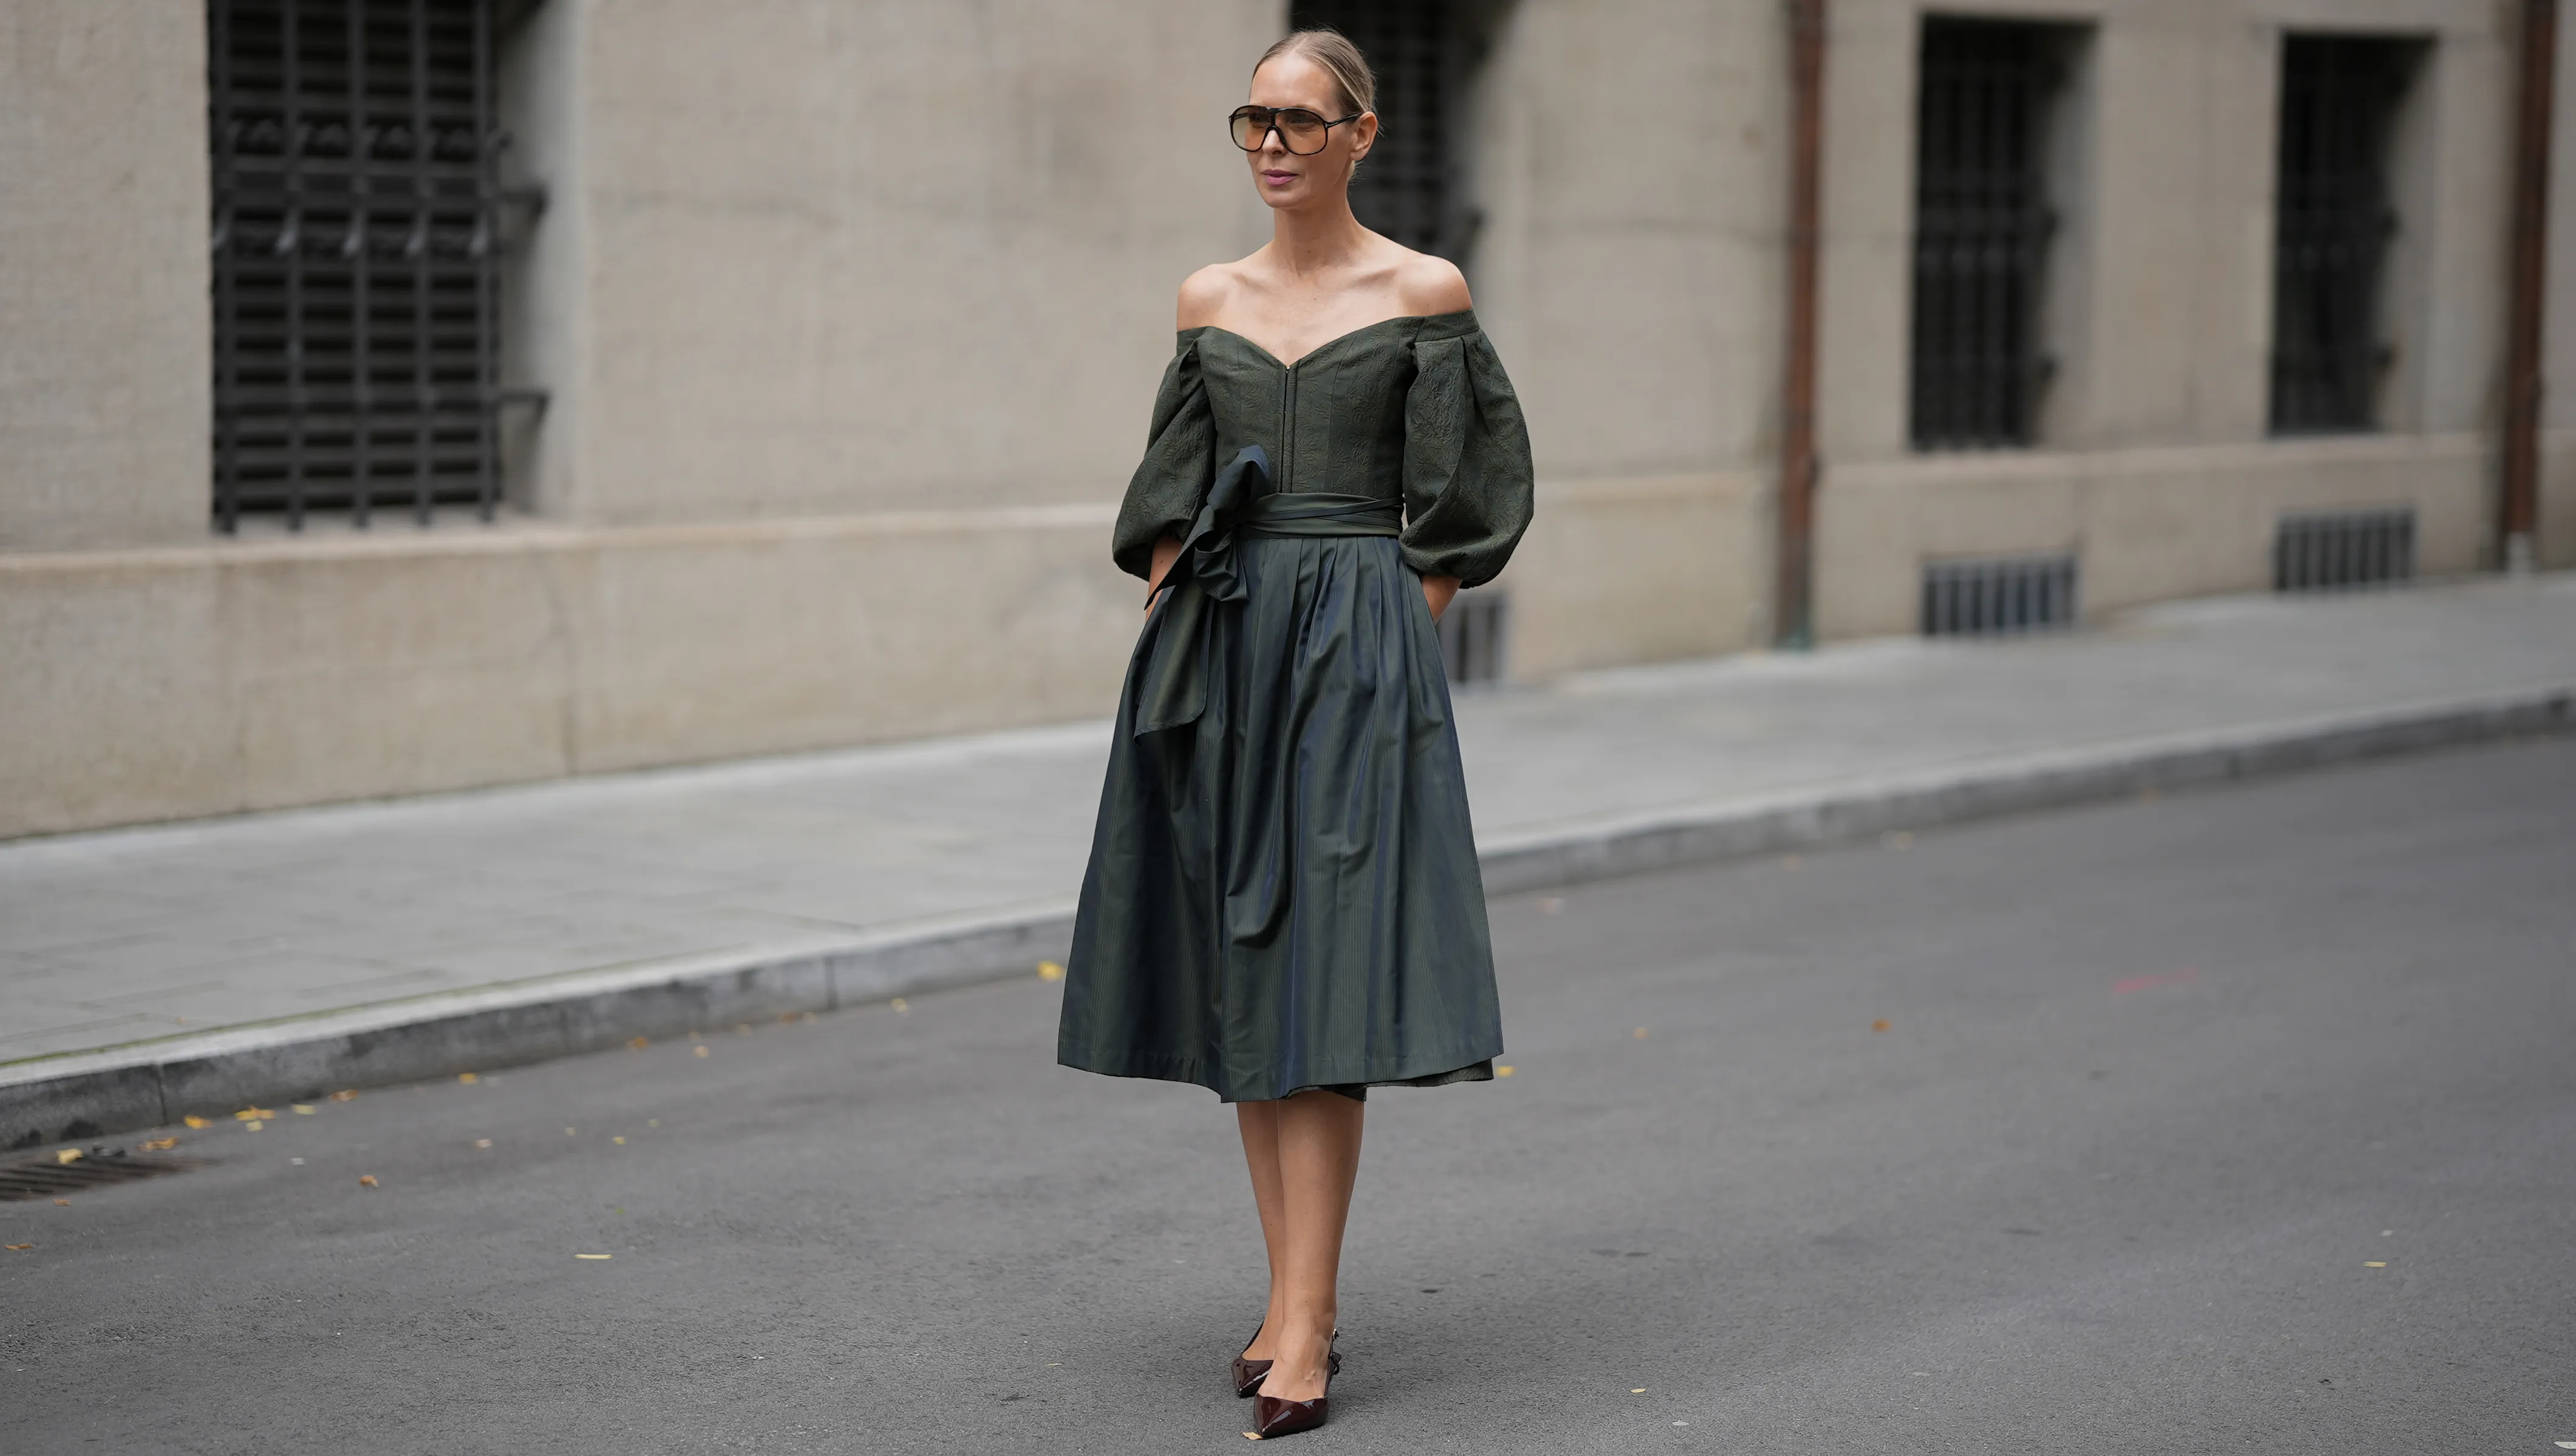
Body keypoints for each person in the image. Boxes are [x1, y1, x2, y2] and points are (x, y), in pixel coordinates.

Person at [1055, 26, 1535, 1441]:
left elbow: (1475, 491)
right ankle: (1284, 1296)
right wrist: (1175, 616)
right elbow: (1168, 484)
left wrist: (1396, 626)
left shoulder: (1423, 289)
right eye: (1252, 121)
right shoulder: (1207, 294)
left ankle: (1312, 1319)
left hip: (1354, 655)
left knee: (1320, 975)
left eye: (1299, 121)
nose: (1271, 143)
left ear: (1360, 134)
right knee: (1243, 971)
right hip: (1218, 650)